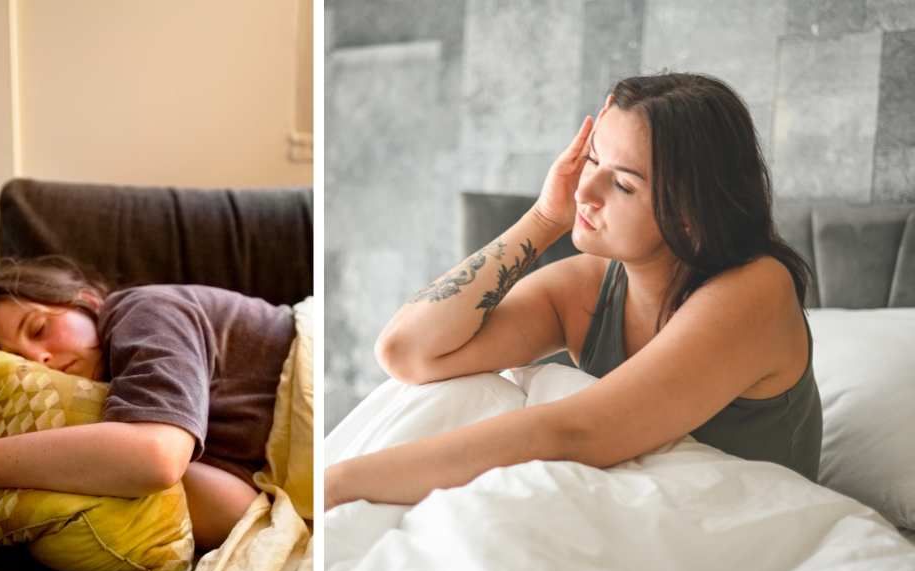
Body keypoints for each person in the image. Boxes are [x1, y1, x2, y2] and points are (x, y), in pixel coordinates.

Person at [325, 72, 821, 510]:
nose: (585, 191)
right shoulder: (588, 285)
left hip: (738, 536)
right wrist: (542, 219)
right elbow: (408, 354)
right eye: (591, 160)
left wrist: (341, 483)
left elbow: (573, 431)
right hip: (632, 514)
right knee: (467, 389)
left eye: (622, 185)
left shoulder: (756, 291)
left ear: (691, 214)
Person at [0, 256, 296, 550]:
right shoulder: (123, 402)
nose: (39, 359)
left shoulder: (142, 312)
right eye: (20, 362)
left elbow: (157, 457)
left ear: (85, 299)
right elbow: (242, 516)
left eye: (39, 328)